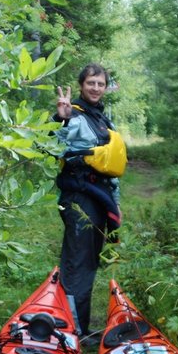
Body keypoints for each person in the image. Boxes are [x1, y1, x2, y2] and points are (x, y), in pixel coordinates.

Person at [53, 63, 122, 339]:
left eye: (100, 84)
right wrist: (61, 118)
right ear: (82, 85)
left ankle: (79, 324)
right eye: (91, 83)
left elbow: (110, 170)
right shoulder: (75, 115)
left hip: (99, 198)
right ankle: (71, 331)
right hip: (79, 198)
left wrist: (116, 205)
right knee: (76, 263)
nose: (95, 88)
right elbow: (53, 145)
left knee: (89, 263)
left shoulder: (102, 119)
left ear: (106, 87)